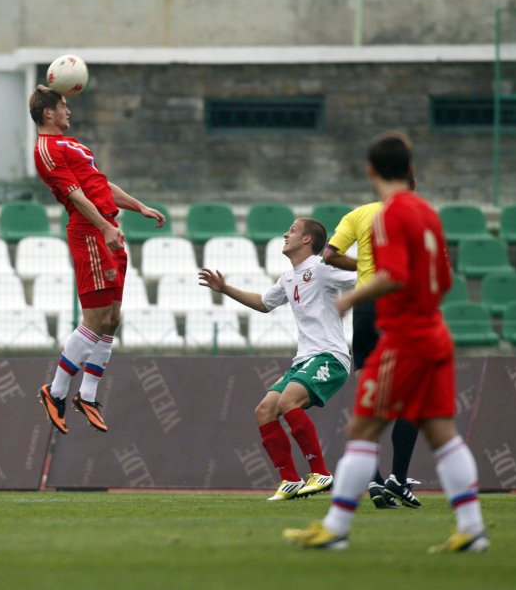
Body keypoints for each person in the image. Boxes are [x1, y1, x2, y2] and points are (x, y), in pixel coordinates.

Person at [284, 131, 488, 553]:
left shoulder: (387, 216)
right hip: (433, 330)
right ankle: (472, 530)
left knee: (362, 426)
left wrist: (352, 298)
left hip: (402, 334)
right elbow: (444, 279)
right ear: (411, 174)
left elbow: (392, 275)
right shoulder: (428, 213)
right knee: (442, 432)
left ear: (371, 170)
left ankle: (336, 527)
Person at [29, 85, 165, 434]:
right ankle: (55, 391)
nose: (68, 112)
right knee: (94, 318)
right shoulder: (45, 149)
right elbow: (75, 196)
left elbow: (99, 184)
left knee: (113, 318)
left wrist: (139, 206)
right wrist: (103, 226)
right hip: (90, 232)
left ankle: (87, 395)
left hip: (109, 230)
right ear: (48, 113)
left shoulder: (73, 145)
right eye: (63, 106)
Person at [200, 217, 356, 501]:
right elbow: (263, 304)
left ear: (307, 239)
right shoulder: (288, 277)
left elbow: (360, 275)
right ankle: (290, 479)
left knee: (287, 402)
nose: (286, 234)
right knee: (264, 410)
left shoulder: (322, 269)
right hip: (305, 360)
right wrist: (225, 289)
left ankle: (320, 473)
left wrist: (381, 264)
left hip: (330, 356)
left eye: (293, 230)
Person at [323, 197, 422, 509]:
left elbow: (328, 255)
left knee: (370, 398)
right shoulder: (418, 216)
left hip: (365, 311)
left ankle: (374, 480)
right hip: (398, 308)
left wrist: (363, 265)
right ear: (414, 185)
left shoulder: (358, 213)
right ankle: (398, 478)